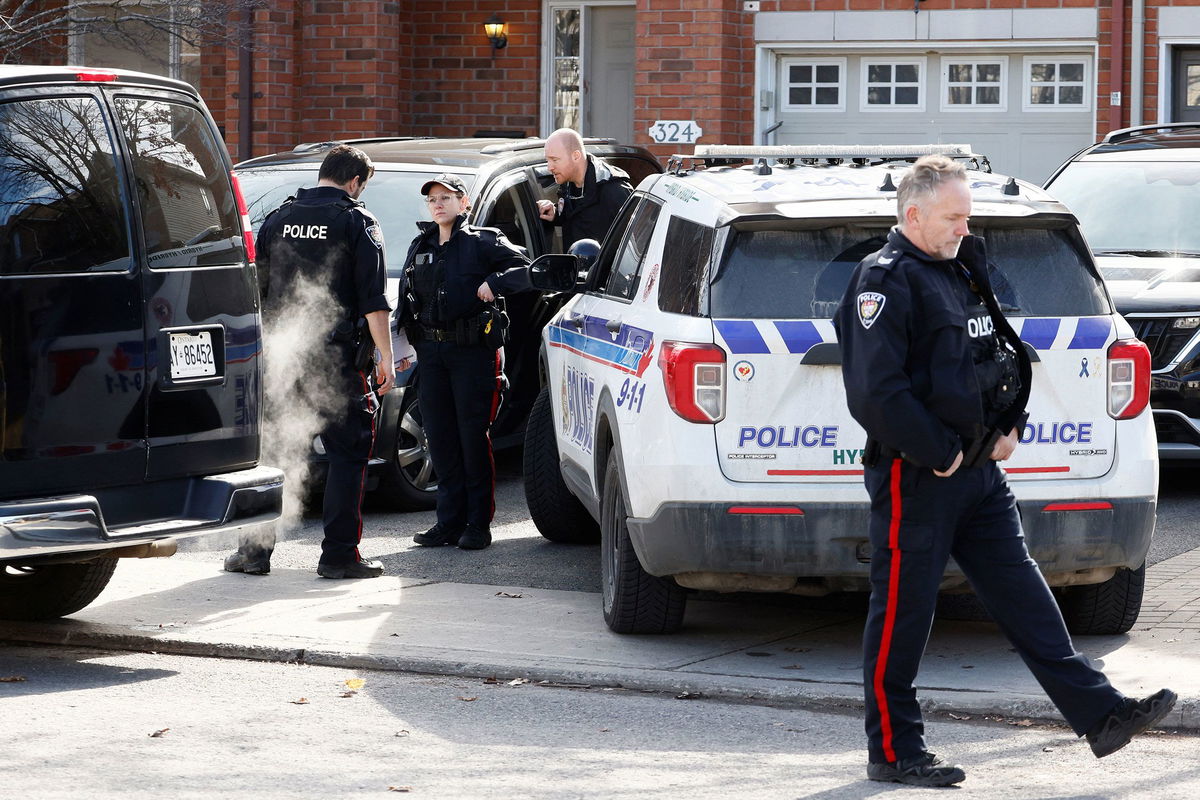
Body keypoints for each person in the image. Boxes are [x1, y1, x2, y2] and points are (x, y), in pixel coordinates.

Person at [832, 155, 1176, 787]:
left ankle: (1101, 714)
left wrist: (1009, 423)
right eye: (953, 217)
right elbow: (877, 394)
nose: (964, 227)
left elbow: (993, 354)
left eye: (967, 216)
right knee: (903, 616)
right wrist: (942, 452)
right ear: (914, 214)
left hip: (980, 474)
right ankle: (894, 751)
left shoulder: (960, 267)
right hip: (920, 477)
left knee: (1026, 597)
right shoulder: (884, 282)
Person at [224, 144, 402, 580]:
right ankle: (340, 556)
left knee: (277, 453)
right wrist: (386, 358)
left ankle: (253, 553)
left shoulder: (278, 219)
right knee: (348, 454)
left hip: (282, 357)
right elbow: (374, 303)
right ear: (355, 181)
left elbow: (255, 291)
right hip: (337, 362)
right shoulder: (357, 221)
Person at [399, 174, 533, 551]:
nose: (438, 204)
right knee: (439, 438)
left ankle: (477, 524)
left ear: (465, 203)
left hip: (472, 352)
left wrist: (496, 282)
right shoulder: (421, 244)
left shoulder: (482, 241)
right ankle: (448, 522)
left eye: (446, 197)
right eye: (432, 199)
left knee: (471, 438)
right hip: (432, 353)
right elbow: (408, 298)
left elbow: (526, 270)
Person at [536, 128, 633, 250]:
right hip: (575, 266)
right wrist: (555, 214)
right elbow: (579, 217)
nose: (550, 167)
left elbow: (635, 242)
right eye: (547, 160)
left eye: (555, 160)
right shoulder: (567, 184)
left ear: (576, 156)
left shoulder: (613, 189)